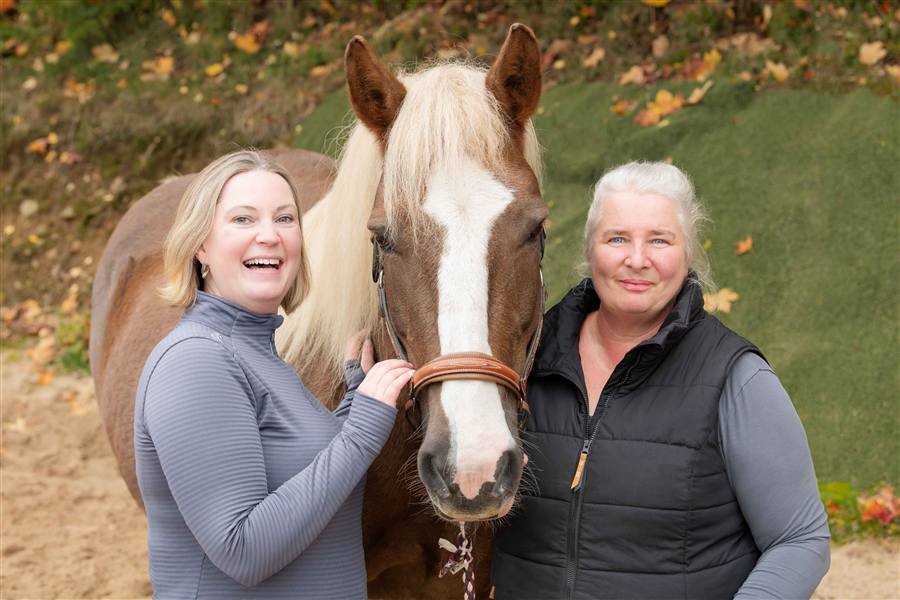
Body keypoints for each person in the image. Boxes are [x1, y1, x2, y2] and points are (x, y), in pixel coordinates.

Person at [491, 162, 830, 599]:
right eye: (617, 239)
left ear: (687, 254)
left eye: (659, 240)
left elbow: (800, 540)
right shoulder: (524, 362)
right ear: (590, 250)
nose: (636, 259)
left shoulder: (735, 378)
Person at [134, 150, 413, 598]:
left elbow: (300, 474)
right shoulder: (194, 362)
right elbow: (244, 549)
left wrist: (354, 401)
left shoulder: (259, 355)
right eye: (243, 220)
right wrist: (361, 430)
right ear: (200, 244)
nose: (269, 236)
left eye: (285, 219)